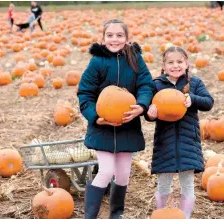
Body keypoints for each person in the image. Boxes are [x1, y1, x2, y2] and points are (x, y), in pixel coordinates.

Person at [77, 19, 154, 219]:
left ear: (127, 39)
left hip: (127, 126)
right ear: (103, 39)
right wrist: (95, 117)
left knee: (123, 174)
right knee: (106, 171)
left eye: (119, 35)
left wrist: (142, 105)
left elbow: (146, 85)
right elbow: (85, 94)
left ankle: (116, 214)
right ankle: (90, 216)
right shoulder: (97, 62)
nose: (115, 39)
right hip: (102, 128)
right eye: (110, 35)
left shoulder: (135, 59)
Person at [146, 46, 214, 219]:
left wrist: (193, 99)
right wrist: (151, 114)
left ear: (186, 63)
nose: (175, 65)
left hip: (188, 141)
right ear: (163, 65)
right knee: (163, 183)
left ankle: (186, 215)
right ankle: (161, 213)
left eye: (179, 62)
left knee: (187, 183)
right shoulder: (156, 84)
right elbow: (150, 111)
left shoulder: (194, 83)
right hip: (165, 142)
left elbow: (208, 102)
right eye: (170, 62)